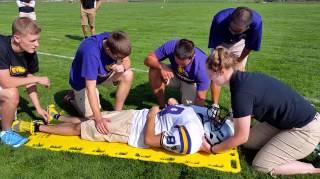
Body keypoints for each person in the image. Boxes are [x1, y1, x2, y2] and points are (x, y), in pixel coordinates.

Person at [205, 46, 320, 175]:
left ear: (220, 71)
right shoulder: (242, 79)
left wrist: (212, 149)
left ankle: (315, 167)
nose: (209, 79)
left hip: (305, 129)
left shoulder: (241, 92)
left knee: (261, 165)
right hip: (283, 123)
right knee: (249, 143)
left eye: (210, 74)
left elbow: (241, 137)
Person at [13, 102, 234, 155]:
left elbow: (149, 139)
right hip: (135, 116)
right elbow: (177, 106)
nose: (214, 117)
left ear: (213, 135)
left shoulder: (192, 139)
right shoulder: (199, 119)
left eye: (217, 123)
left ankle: (36, 127)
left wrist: (153, 113)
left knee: (83, 129)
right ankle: (58, 116)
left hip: (132, 130)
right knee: (92, 118)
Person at [67, 31, 133, 136]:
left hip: (100, 76)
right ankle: (72, 98)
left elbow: (127, 60)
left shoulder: (114, 40)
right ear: (107, 50)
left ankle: (117, 112)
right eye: (118, 58)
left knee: (128, 74)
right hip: (83, 83)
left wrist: (123, 67)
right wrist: (98, 119)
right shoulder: (91, 53)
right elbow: (90, 88)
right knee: (91, 119)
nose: (120, 60)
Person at [0, 17, 50, 148]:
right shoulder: (2, 47)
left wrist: (38, 108)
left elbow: (28, 78)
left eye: (37, 40)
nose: (37, 44)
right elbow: (6, 82)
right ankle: (6, 133)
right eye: (33, 40)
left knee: (10, 109)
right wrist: (38, 79)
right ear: (17, 38)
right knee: (11, 94)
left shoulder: (30, 53)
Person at [208, 7, 262, 108]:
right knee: (216, 71)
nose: (233, 33)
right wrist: (220, 62)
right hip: (221, 42)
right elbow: (216, 46)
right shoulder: (219, 19)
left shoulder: (257, 23)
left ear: (248, 27)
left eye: (238, 31)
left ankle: (235, 108)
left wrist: (239, 61)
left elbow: (249, 46)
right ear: (230, 20)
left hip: (240, 43)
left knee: (239, 75)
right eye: (232, 29)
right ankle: (214, 106)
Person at [144, 39, 210, 108]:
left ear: (192, 57)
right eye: (178, 62)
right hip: (174, 74)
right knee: (154, 69)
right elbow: (147, 59)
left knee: (189, 109)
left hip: (190, 82)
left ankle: (175, 104)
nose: (180, 66)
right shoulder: (171, 46)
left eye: (183, 64)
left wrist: (197, 114)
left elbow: (200, 98)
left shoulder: (203, 67)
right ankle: (162, 106)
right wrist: (161, 66)